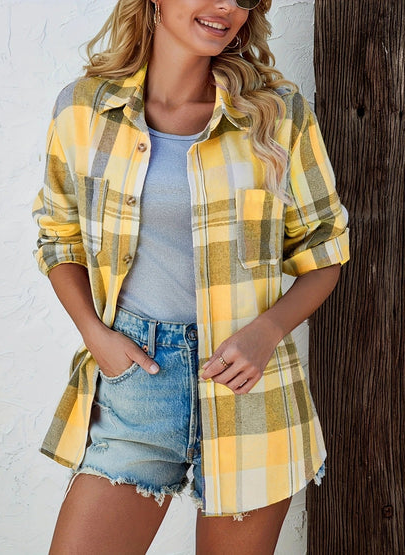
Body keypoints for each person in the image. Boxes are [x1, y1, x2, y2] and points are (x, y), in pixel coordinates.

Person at [33, 0, 350, 553]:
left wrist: (267, 331)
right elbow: (60, 238)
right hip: (136, 384)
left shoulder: (276, 113)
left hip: (248, 388)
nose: (228, 6)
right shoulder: (85, 109)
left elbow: (325, 249)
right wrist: (95, 333)